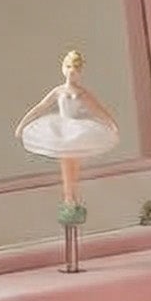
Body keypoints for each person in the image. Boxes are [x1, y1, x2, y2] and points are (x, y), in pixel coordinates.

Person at [15, 48, 121, 223]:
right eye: (69, 67)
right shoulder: (58, 91)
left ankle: (72, 197)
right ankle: (68, 198)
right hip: (61, 128)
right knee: (66, 162)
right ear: (63, 68)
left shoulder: (82, 93)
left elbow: (98, 109)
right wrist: (22, 124)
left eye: (76, 69)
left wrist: (112, 124)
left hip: (78, 129)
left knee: (74, 162)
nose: (72, 71)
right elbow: (41, 107)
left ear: (80, 72)